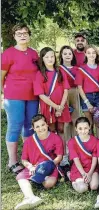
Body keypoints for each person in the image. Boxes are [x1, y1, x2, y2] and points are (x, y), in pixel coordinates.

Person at [1, 23, 39, 175]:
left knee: (30, 126)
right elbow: (1, 75)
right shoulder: (8, 53)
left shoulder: (33, 53)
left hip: (32, 96)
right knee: (15, 125)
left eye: (25, 33)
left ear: (29, 35)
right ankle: (12, 161)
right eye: (19, 33)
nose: (23, 35)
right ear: (14, 36)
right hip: (14, 95)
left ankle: (27, 157)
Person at [14, 114, 63, 210]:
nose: (41, 128)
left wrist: (51, 165)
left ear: (47, 124)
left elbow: (59, 157)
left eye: (42, 125)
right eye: (37, 126)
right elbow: (24, 159)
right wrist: (30, 167)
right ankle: (30, 197)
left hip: (50, 166)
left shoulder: (55, 138)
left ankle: (40, 179)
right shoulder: (29, 141)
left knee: (48, 184)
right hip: (34, 167)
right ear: (33, 128)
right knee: (20, 177)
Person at [34, 47, 71, 150]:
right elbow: (41, 95)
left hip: (62, 105)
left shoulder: (60, 71)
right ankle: (53, 153)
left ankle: (63, 155)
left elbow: (66, 90)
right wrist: (56, 107)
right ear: (42, 59)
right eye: (47, 57)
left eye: (52, 56)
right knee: (51, 129)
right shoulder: (40, 74)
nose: (50, 59)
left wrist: (61, 107)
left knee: (61, 129)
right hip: (48, 106)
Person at [75, 45, 99, 138]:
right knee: (89, 124)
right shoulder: (81, 69)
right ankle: (90, 146)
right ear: (85, 54)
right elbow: (80, 88)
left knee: (98, 123)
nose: (91, 55)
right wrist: (87, 103)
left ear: (96, 54)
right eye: (89, 53)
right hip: (86, 97)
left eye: (93, 52)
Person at [68, 117, 99, 193]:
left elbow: (95, 158)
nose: (83, 131)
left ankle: (82, 180)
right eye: (80, 129)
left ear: (89, 127)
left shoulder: (95, 140)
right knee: (83, 189)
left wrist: (90, 173)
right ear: (76, 129)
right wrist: (84, 174)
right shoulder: (72, 142)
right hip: (79, 168)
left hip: (91, 167)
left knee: (94, 186)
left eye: (85, 128)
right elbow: (76, 159)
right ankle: (71, 177)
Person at [59, 46, 80, 151]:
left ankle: (76, 141)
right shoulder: (58, 69)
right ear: (61, 55)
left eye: (69, 54)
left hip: (75, 92)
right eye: (65, 54)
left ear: (73, 56)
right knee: (66, 120)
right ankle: (67, 144)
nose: (67, 56)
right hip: (63, 94)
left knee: (75, 117)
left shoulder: (77, 69)